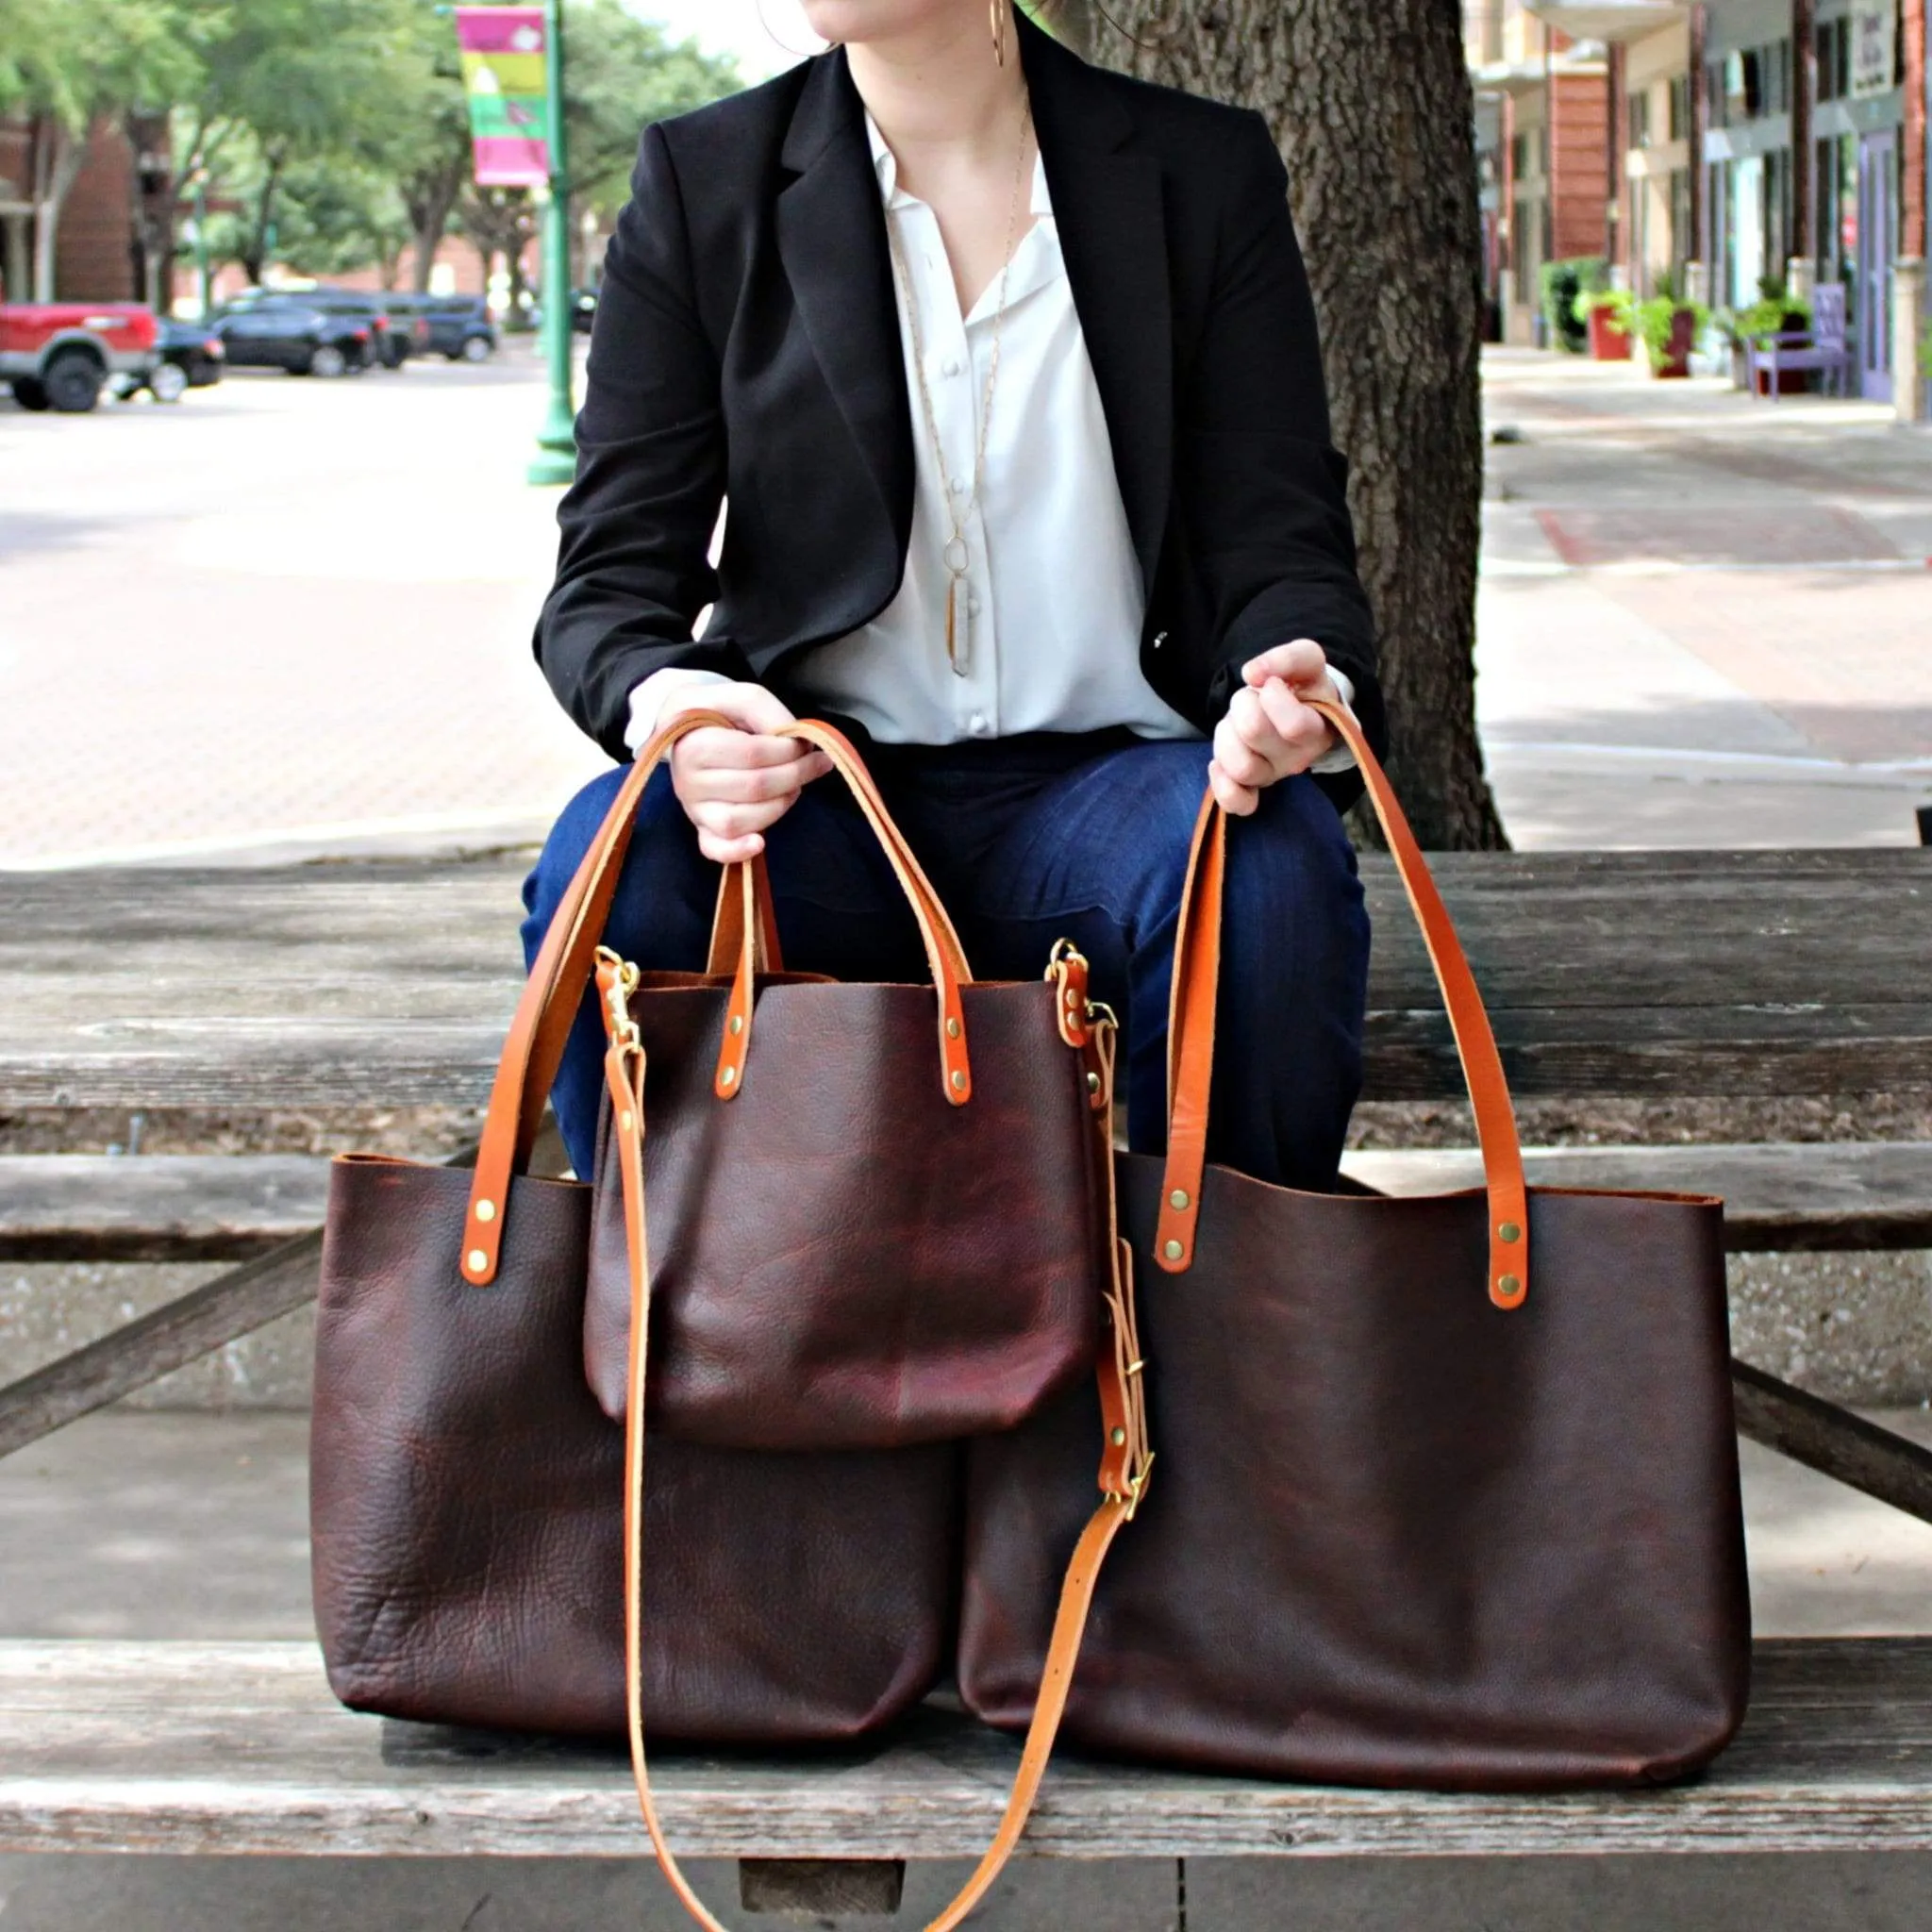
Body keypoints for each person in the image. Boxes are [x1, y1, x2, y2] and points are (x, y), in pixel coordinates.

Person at [522, 0, 1380, 1189]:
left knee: (1266, 864)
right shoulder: (704, 176)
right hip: (822, 798)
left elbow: (1275, 522)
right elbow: (610, 578)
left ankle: (1236, 1344)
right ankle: (656, 1333)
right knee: (613, 859)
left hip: (1115, 790)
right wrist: (678, 711)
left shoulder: (1196, 167)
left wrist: (1298, 680)